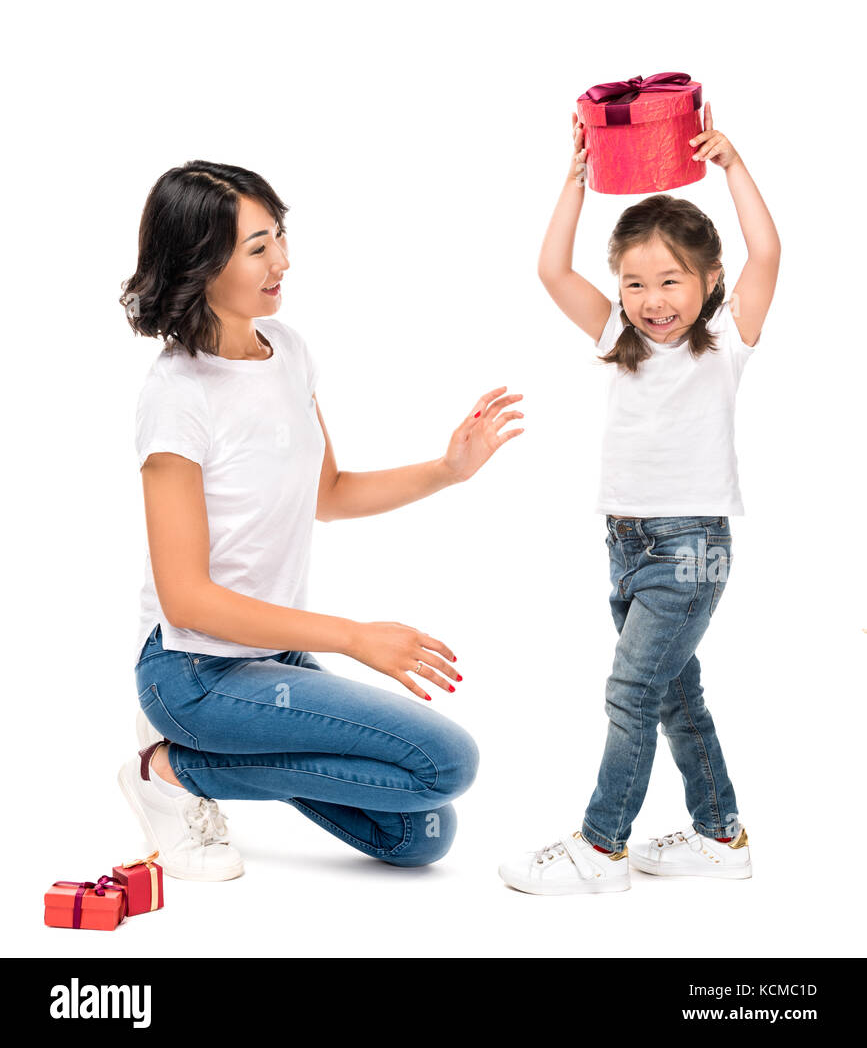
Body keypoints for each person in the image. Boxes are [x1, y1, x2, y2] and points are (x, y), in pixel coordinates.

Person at [118, 159, 524, 880]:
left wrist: (446, 469)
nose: (281, 261)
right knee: (446, 762)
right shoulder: (176, 396)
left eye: (278, 236)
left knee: (420, 834)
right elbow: (186, 598)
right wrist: (354, 638)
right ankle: (168, 771)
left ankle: (207, 764)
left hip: (273, 659)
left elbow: (326, 492)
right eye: (255, 248)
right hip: (195, 672)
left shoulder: (289, 352)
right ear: (200, 262)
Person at [498, 102, 780, 895]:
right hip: (625, 545)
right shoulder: (613, 340)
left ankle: (600, 847)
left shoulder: (725, 342)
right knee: (672, 694)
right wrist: (575, 183)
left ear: (708, 281)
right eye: (633, 283)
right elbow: (552, 270)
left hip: (688, 549)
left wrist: (729, 165)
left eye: (671, 281)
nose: (653, 300)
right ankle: (720, 836)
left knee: (629, 692)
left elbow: (768, 250)